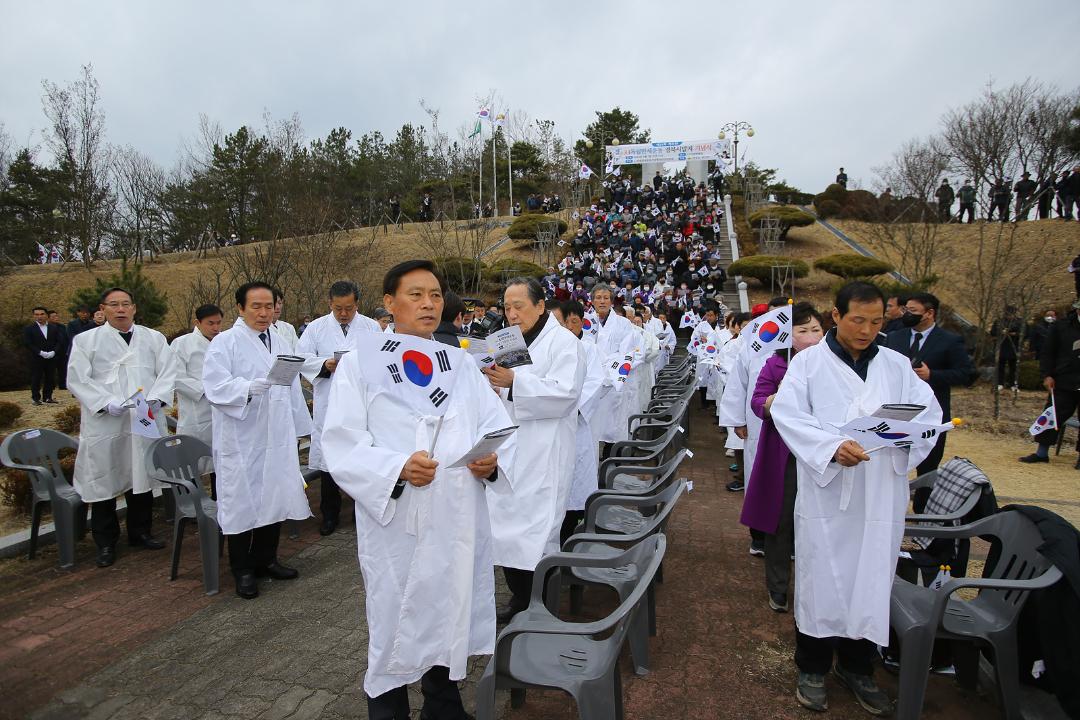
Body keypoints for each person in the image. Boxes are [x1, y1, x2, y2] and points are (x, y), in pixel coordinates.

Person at [320, 259, 514, 720]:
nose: (428, 304)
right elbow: (342, 441)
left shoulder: (460, 364)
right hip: (399, 521)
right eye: (415, 295)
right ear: (389, 303)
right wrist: (395, 468)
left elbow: (493, 425)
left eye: (434, 295)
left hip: (455, 513)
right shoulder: (362, 364)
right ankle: (388, 710)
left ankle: (443, 705)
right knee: (394, 616)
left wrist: (489, 463)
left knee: (449, 609)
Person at [771, 281, 941, 715]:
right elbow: (788, 415)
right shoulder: (807, 364)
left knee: (870, 577)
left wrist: (903, 438)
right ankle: (811, 667)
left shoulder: (898, 366)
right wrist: (830, 447)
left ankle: (858, 666)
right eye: (858, 320)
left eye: (877, 321)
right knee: (822, 578)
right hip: (830, 492)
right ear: (836, 316)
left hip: (881, 489)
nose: (867, 329)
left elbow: (929, 417)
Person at [202, 282, 313, 599]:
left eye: (269, 306)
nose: (264, 313)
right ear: (240, 308)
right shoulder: (225, 343)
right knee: (242, 501)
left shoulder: (278, 339)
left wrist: (299, 425)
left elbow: (291, 387)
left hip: (276, 433)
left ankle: (267, 559)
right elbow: (215, 386)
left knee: (273, 495)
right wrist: (250, 388)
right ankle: (243, 570)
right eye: (256, 307)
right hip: (242, 437)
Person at [485, 277, 585, 623]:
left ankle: (540, 608)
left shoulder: (563, 343)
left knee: (538, 535)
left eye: (519, 306)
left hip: (545, 453)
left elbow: (565, 394)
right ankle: (519, 597)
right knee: (506, 532)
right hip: (511, 449)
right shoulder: (508, 342)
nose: (511, 314)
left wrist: (515, 383)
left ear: (540, 306)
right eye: (507, 307)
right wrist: (493, 383)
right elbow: (502, 392)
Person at [67, 288, 177, 568]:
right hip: (106, 421)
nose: (120, 309)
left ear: (134, 308)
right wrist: (105, 402)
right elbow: (77, 379)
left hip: (143, 416)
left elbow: (168, 371)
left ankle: (140, 532)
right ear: (102, 309)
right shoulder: (86, 340)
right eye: (114, 305)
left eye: (125, 304)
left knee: (140, 475)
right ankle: (105, 542)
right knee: (105, 477)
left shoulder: (152, 338)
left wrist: (156, 397)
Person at [740, 302, 824, 614]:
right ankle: (778, 588)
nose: (812, 336)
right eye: (803, 331)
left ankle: (815, 590)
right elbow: (758, 401)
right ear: (789, 336)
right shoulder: (776, 366)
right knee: (781, 520)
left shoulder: (833, 367)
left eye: (816, 329)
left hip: (822, 455)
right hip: (785, 453)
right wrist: (777, 400)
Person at [297, 281, 381, 536]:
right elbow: (302, 358)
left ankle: (361, 511)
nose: (343, 314)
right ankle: (330, 515)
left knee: (361, 456)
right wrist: (325, 364)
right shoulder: (316, 328)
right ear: (330, 304)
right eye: (338, 308)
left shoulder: (370, 326)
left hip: (360, 400)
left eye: (348, 308)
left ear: (357, 304)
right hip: (329, 399)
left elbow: (382, 358)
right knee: (329, 460)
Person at [884, 292, 974, 475]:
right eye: (905, 309)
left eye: (913, 310)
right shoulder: (893, 338)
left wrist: (932, 375)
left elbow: (966, 374)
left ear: (929, 313)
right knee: (889, 463)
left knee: (928, 466)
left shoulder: (949, 340)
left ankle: (923, 502)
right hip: (895, 410)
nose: (907, 314)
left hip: (930, 413)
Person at [551, 300, 612, 545]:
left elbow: (595, 384)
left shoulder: (588, 350)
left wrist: (561, 407)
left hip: (573, 430)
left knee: (572, 501)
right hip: (546, 434)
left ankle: (570, 557)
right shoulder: (542, 349)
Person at [1022, 298, 1080, 468]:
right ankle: (1041, 452)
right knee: (1052, 414)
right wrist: (1047, 374)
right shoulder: (1061, 327)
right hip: (1063, 378)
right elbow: (1048, 352)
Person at [171, 303, 223, 466]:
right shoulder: (181, 344)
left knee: (221, 461)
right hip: (196, 409)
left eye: (219, 323)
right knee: (193, 459)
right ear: (197, 322)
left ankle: (218, 492)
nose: (216, 327)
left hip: (223, 406)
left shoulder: (225, 341)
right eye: (210, 323)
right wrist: (206, 390)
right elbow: (175, 376)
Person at [24, 306, 63, 405]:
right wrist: (40, 352)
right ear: (33, 316)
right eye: (37, 314)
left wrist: (54, 352)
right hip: (36, 357)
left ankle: (48, 397)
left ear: (46, 315)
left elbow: (59, 341)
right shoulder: (29, 329)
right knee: (36, 377)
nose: (39, 316)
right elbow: (28, 343)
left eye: (42, 314)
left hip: (51, 357)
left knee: (50, 377)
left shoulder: (53, 327)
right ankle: (36, 398)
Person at [990, 306, 1023, 390]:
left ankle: (1013, 384)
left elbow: (1024, 333)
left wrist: (1014, 334)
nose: (1009, 315)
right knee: (1000, 366)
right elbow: (993, 332)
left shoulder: (1019, 322)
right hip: (1002, 346)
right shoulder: (999, 321)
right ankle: (1000, 383)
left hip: (1014, 347)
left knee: (1013, 367)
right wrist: (1001, 332)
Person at [48, 310, 69, 390]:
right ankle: (51, 385)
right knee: (51, 370)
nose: (56, 318)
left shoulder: (62, 327)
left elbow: (65, 338)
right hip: (52, 351)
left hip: (62, 351)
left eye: (56, 316)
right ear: (48, 318)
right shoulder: (47, 327)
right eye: (53, 317)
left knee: (63, 369)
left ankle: (63, 384)